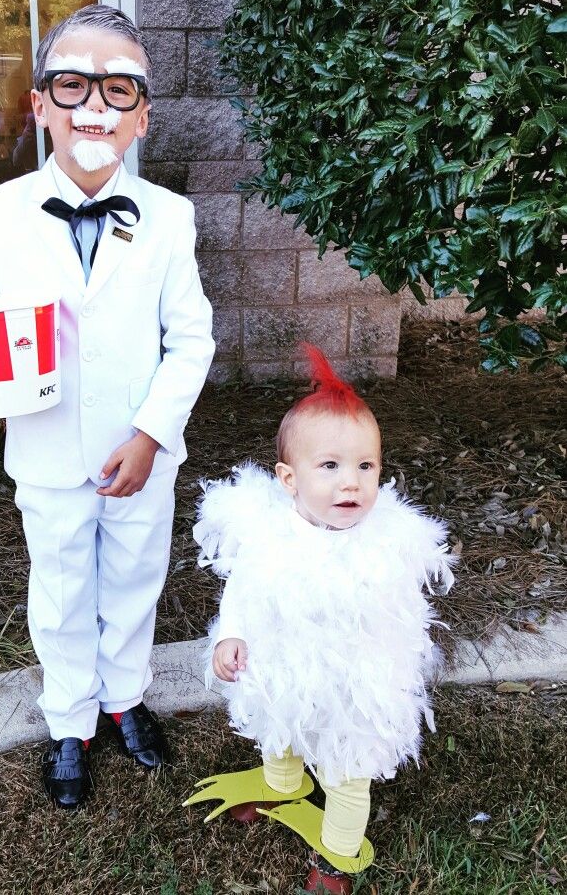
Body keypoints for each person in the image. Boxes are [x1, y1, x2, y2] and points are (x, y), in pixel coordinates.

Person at [0, 4, 214, 809]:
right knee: (63, 585)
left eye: (118, 88)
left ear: (142, 116)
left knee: (136, 580)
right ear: (39, 104)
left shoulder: (171, 220)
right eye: (72, 83)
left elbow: (190, 342)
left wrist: (149, 435)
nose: (94, 105)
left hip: (138, 453)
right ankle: (69, 719)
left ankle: (124, 697)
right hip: (42, 451)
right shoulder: (0, 213)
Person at [186, 345, 454, 894]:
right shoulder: (270, 531)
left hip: (355, 686)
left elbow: (401, 619)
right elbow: (246, 584)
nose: (350, 483)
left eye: (365, 466)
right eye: (329, 466)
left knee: (346, 768)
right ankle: (281, 782)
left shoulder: (385, 546)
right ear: (288, 478)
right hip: (284, 664)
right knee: (278, 728)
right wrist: (232, 632)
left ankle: (338, 851)